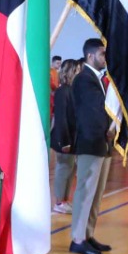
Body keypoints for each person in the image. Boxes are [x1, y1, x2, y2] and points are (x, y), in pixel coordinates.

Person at [69, 38, 113, 254]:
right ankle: (78, 239)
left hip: (102, 142)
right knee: (85, 191)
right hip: (91, 142)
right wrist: (106, 130)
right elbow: (92, 113)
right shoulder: (84, 79)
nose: (105, 58)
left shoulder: (98, 79)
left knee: (96, 193)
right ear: (90, 56)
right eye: (102, 54)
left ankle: (88, 234)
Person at [50, 58, 80, 213]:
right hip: (64, 138)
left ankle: (65, 199)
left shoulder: (72, 90)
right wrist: (65, 141)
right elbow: (61, 117)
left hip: (72, 137)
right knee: (63, 169)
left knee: (70, 170)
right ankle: (59, 201)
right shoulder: (63, 91)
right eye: (77, 70)